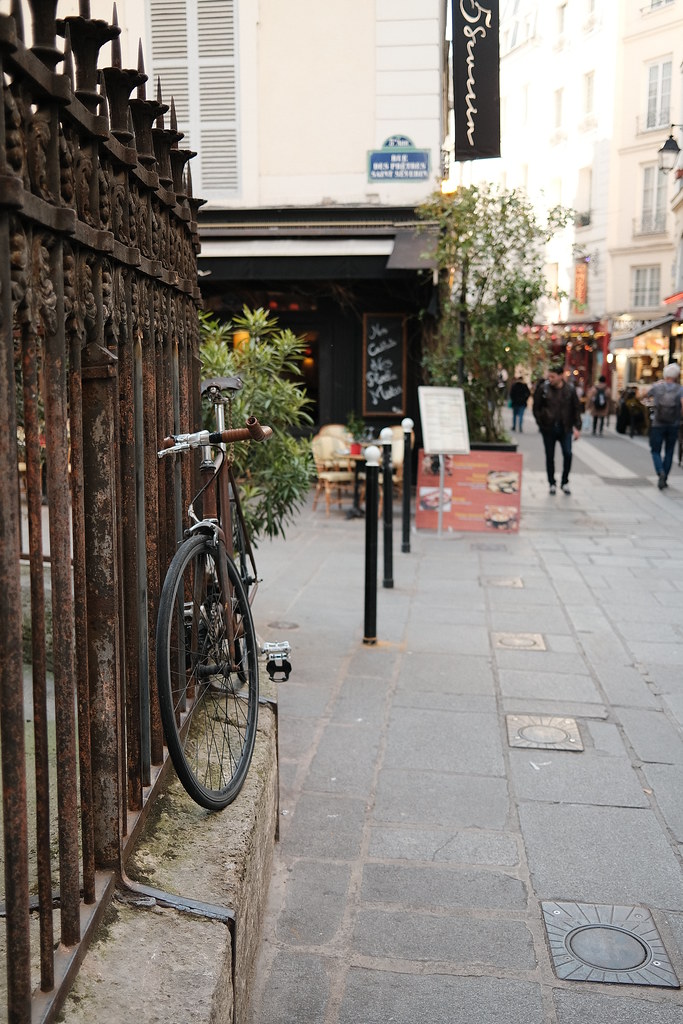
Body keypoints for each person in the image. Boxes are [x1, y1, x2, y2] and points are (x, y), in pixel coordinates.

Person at [532, 365, 582, 496]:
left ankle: (565, 481)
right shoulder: (544, 389)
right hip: (548, 428)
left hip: (565, 428)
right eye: (549, 376)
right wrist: (541, 423)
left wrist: (577, 427)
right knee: (550, 456)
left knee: (568, 453)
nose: (550, 379)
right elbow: (536, 407)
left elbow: (576, 409)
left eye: (553, 376)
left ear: (561, 376)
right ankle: (552, 483)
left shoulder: (570, 390)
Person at [647, 362, 683, 490]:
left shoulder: (658, 387)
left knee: (655, 450)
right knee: (669, 451)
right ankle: (665, 477)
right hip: (673, 424)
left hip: (658, 422)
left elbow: (644, 395)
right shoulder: (680, 389)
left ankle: (660, 471)